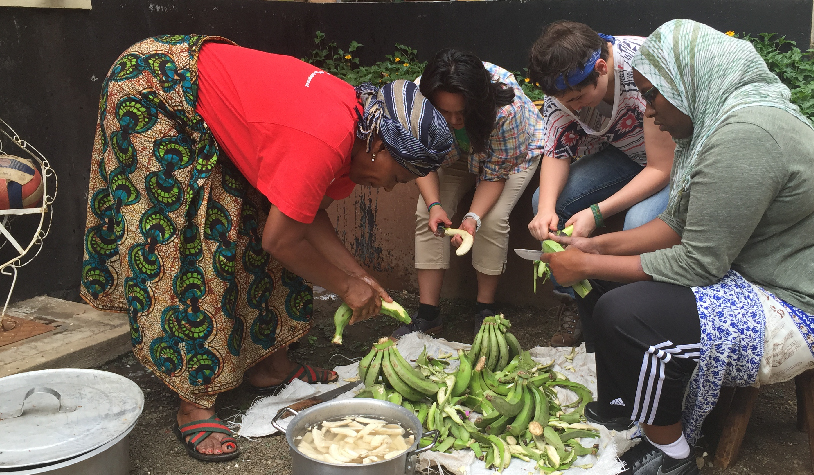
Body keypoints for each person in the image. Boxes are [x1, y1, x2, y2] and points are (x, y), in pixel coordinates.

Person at [81, 35, 452, 462]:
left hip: (204, 96)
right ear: (381, 146)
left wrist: (359, 276)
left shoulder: (359, 135)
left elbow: (306, 214)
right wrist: (345, 288)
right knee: (193, 241)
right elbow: (281, 241)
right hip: (156, 89)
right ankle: (194, 400)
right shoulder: (326, 139)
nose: (388, 186)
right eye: (397, 177)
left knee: (255, 218)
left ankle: (269, 365)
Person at [540, 20, 814, 475]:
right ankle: (626, 404)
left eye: (654, 96)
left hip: (808, 308)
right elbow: (677, 225)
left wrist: (588, 262)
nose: (650, 113)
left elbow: (698, 261)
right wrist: (596, 246)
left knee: (626, 312)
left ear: (684, 83)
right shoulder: (715, 122)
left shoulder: (745, 137)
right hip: (759, 278)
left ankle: (674, 454)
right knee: (606, 277)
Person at [526, 21, 676, 346]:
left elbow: (661, 169)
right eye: (566, 102)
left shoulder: (642, 69)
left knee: (638, 223)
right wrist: (548, 210)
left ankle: (633, 320)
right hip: (627, 154)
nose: (573, 108)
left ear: (602, 67)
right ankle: (576, 303)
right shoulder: (564, 84)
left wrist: (597, 212)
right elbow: (556, 149)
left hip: (677, 163)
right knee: (544, 202)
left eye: (579, 98)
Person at [391, 48, 543, 339]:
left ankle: (485, 310)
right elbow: (421, 161)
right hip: (455, 155)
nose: (455, 120)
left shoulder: (505, 111)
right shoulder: (418, 102)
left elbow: (495, 174)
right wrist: (436, 205)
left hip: (511, 155)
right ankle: (428, 315)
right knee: (427, 213)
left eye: (462, 112)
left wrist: (472, 217)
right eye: (445, 112)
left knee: (493, 219)